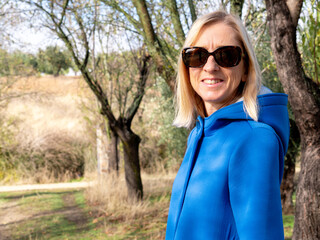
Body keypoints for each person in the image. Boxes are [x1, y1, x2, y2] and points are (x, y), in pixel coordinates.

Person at [165, 10, 290, 240]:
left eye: (226, 55)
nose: (210, 66)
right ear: (186, 67)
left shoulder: (255, 139)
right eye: (197, 56)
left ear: (245, 70)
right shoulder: (198, 134)